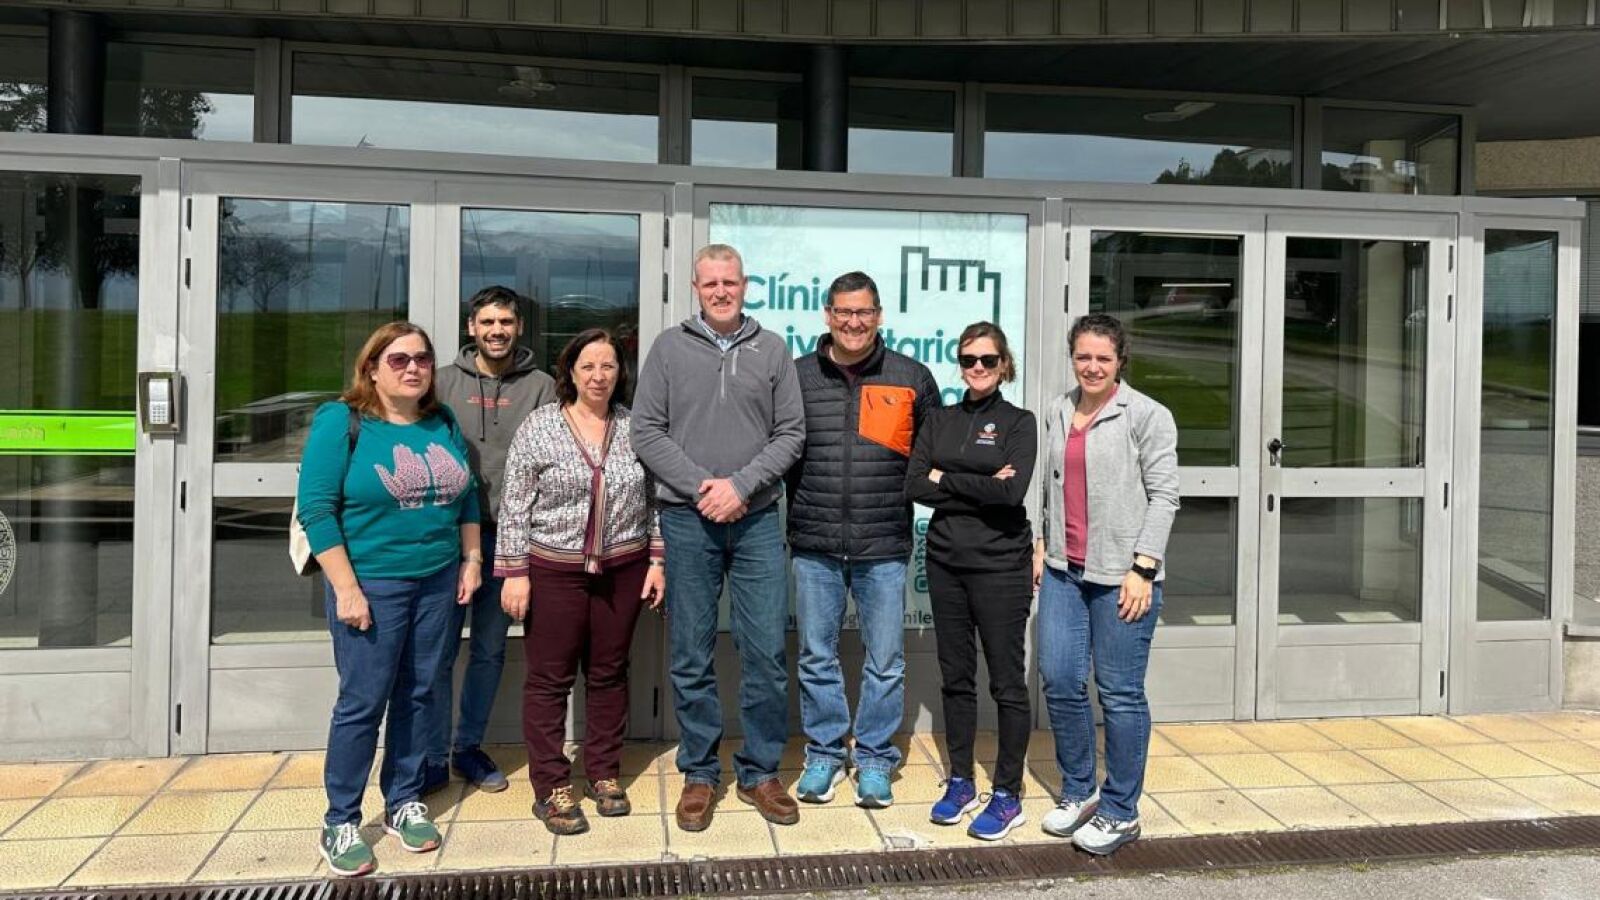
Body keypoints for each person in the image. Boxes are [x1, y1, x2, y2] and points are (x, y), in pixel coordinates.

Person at [631, 243, 806, 832]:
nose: (721, 291)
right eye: (711, 283)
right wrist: (703, 487)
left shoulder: (772, 349)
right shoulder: (668, 348)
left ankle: (760, 772)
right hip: (687, 519)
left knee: (766, 653)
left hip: (756, 520)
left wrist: (740, 486)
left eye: (730, 282)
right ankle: (700, 772)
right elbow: (646, 431)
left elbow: (791, 434)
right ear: (696, 287)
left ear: (745, 284)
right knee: (690, 653)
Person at [295, 322, 481, 877]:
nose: (413, 368)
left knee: (421, 693)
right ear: (372, 368)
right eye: (398, 359)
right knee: (363, 701)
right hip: (372, 583)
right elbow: (317, 510)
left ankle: (403, 800)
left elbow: (467, 498)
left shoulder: (441, 421)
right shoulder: (342, 421)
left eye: (421, 358)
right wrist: (346, 589)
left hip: (438, 580)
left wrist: (471, 560)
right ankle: (340, 819)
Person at [495, 328, 666, 835]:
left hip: (623, 568)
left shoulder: (635, 427)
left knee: (610, 673)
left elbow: (655, 498)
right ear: (569, 371)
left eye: (608, 366)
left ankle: (603, 772)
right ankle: (551, 786)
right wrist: (514, 572)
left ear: (620, 373)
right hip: (554, 570)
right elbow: (514, 504)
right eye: (587, 366)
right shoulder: (540, 426)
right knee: (550, 680)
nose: (598, 376)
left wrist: (657, 560)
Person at [786, 271, 941, 809]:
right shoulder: (797, 376)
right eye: (844, 312)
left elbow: (933, 455)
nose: (854, 322)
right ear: (828, 315)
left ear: (879, 316)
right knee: (816, 657)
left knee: (886, 660)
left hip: (884, 543)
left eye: (864, 312)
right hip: (815, 541)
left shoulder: (910, 377)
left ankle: (875, 757)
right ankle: (825, 754)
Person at [1035, 313, 1179, 856]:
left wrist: (1143, 568)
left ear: (1120, 361)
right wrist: (1041, 540)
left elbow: (1165, 496)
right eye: (1083, 357)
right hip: (1063, 572)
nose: (1092, 367)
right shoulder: (1058, 409)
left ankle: (1121, 810)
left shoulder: (1147, 415)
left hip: (1123, 575)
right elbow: (1050, 485)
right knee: (1060, 679)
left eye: (1103, 358)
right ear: (1072, 358)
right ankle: (1080, 791)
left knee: (1119, 693)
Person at [905, 321, 1036, 842]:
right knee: (956, 677)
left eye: (987, 359)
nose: (977, 368)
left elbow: (1011, 495)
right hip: (946, 562)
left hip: (1002, 566)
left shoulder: (1019, 423)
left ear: (1004, 365)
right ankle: (960, 780)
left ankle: (1007, 793)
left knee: (1006, 682)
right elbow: (914, 484)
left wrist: (946, 478)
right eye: (968, 359)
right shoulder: (940, 419)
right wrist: (981, 482)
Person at [428, 286, 557, 794]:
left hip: (510, 539)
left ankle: (468, 748)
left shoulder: (542, 387)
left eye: (505, 322)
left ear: (519, 327)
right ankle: (430, 754)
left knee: (488, 649)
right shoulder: (441, 383)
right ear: (471, 328)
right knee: (436, 651)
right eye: (487, 322)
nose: (496, 331)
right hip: (447, 539)